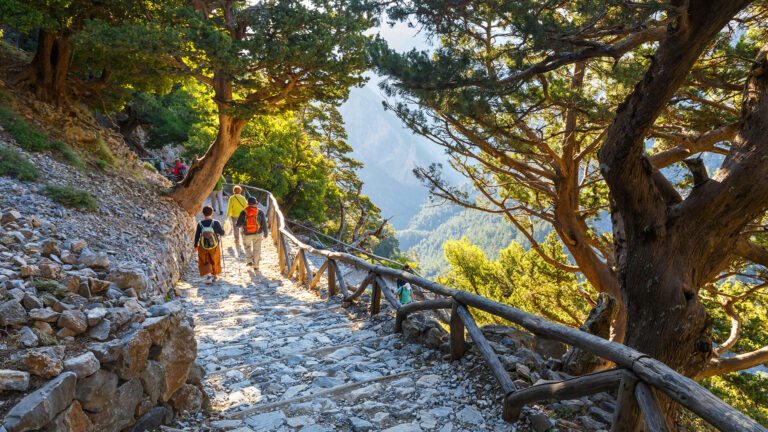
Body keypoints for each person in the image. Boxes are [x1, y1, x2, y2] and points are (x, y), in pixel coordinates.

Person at [236, 197, 269, 272]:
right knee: (257, 249)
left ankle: (249, 261)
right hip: (258, 233)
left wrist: (237, 225)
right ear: (256, 203)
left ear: (247, 204)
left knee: (247, 247)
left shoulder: (243, 212)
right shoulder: (260, 212)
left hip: (247, 233)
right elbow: (264, 224)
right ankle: (256, 266)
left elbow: (238, 224)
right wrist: (266, 234)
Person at [194, 206, 225, 282]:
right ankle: (215, 276)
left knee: (205, 260)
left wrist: (195, 245)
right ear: (212, 213)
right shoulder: (216, 223)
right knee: (215, 259)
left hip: (203, 245)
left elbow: (197, 235)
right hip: (214, 246)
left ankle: (208, 277)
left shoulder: (200, 224)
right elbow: (222, 233)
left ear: (203, 213)